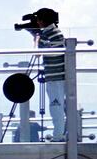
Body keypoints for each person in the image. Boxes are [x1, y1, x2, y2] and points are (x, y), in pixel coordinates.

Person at [26, 8, 68, 140]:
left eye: (38, 19)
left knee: (56, 107)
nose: (37, 22)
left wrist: (36, 40)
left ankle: (58, 136)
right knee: (59, 106)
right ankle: (61, 133)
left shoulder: (50, 34)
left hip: (56, 77)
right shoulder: (54, 32)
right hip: (58, 75)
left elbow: (38, 53)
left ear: (43, 20)